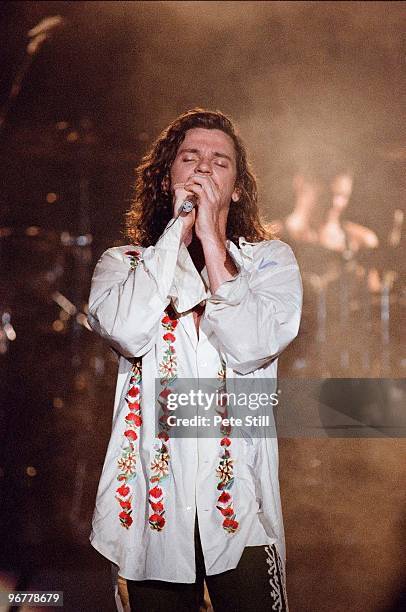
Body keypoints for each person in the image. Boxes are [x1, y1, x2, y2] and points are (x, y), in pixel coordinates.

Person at [87, 108, 302, 611]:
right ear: (168, 179)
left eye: (220, 162)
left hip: (242, 515)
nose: (204, 169)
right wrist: (179, 234)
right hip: (152, 516)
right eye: (191, 158)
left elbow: (251, 342)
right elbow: (125, 329)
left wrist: (210, 238)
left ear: (238, 188)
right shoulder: (124, 264)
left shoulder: (270, 262)